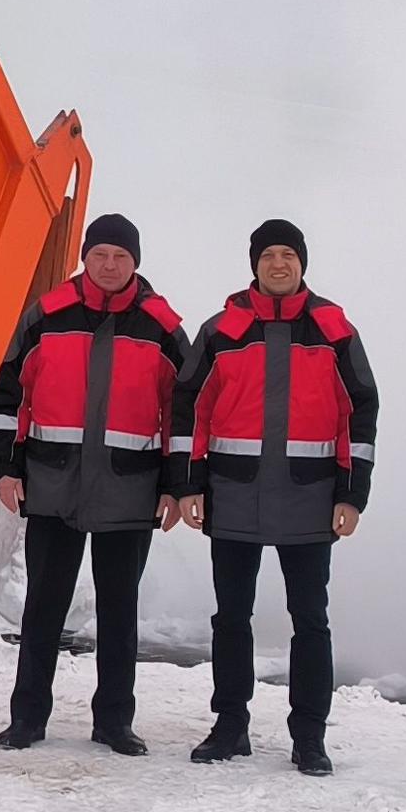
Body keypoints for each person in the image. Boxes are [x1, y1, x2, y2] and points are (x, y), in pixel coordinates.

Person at [167, 219, 378, 776]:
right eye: (268, 256)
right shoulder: (221, 331)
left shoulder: (334, 330)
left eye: (288, 254)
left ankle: (309, 737)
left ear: (303, 263)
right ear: (254, 264)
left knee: (310, 620)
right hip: (232, 498)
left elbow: (361, 413)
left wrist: (352, 493)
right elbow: (189, 410)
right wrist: (188, 485)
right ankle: (230, 726)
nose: (278, 264)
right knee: (230, 618)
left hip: (310, 501)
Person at [0, 214, 188, 754]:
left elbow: (184, 417)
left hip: (131, 490)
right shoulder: (46, 317)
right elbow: (7, 396)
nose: (108, 265)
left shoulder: (163, 328)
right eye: (99, 253)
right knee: (43, 607)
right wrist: (6, 467)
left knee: (119, 610)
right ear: (84, 257)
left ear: (136, 262)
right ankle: (27, 718)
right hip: (52, 485)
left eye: (120, 256)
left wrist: (176, 485)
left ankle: (114, 723)